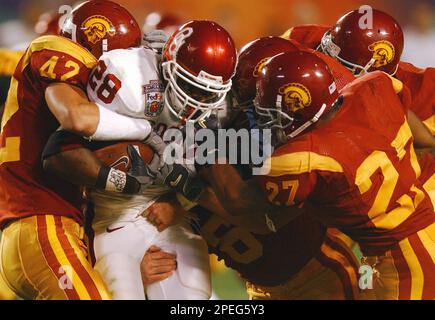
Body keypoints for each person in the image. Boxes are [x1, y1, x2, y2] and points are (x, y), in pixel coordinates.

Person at [42, 20, 238, 299]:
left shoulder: (221, 113)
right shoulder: (132, 79)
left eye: (206, 93)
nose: (194, 102)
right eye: (188, 86)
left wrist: (181, 202)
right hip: (108, 221)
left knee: (192, 298)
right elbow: (58, 152)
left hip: (170, 222)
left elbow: (230, 196)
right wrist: (140, 139)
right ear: (168, 67)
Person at [0, 0, 149, 300]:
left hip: (65, 227)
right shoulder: (55, 49)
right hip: (40, 222)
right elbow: (77, 118)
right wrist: (143, 128)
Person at [282, 8, 434, 136]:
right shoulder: (305, 36)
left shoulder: (379, 95)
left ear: (373, 63)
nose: (326, 56)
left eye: (340, 61)